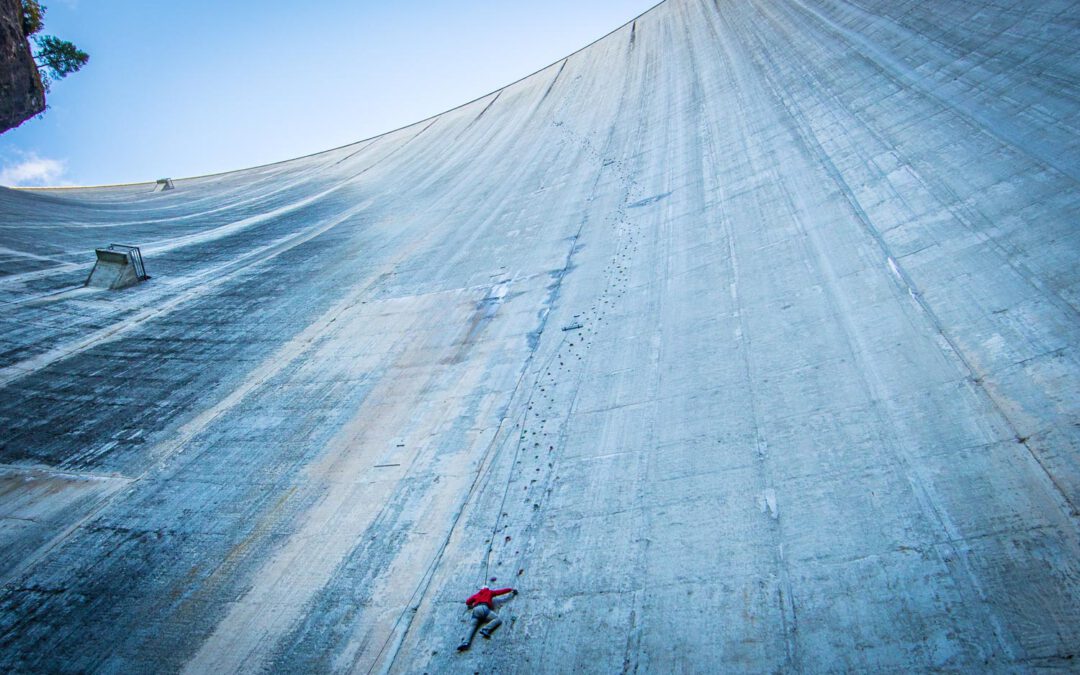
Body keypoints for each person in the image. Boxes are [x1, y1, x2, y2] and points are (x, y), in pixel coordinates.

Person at [457, 584, 518, 651]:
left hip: (475, 610)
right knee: (497, 619)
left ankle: (465, 642)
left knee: (472, 626)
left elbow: (468, 602)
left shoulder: (477, 595)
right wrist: (510, 590)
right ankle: (486, 629)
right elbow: (500, 591)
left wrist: (472, 605)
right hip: (484, 608)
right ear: (487, 588)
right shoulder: (490, 592)